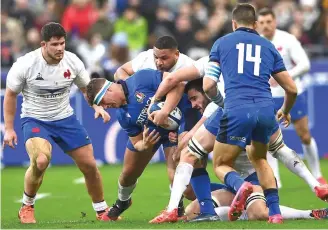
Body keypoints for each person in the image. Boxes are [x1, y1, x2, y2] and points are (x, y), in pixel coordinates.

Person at [149, 66, 328, 224]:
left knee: (259, 213)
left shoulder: (218, 112)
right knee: (192, 211)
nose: (193, 104)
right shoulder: (223, 110)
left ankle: (311, 213)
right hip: (233, 182)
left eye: (194, 98)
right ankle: (235, 205)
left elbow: (281, 151)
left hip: (254, 178)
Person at [2, 22, 110, 224]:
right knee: (41, 160)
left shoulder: (72, 61)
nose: (60, 48)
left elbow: (87, 89)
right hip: (35, 119)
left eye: (62, 43)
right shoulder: (26, 65)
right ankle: (27, 206)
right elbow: (10, 95)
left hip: (65, 118)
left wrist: (96, 106)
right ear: (43, 44)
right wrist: (8, 129)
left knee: (89, 164)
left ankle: (102, 210)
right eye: (55, 44)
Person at [203, 4, 298, 223]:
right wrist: (285, 110)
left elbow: (208, 85)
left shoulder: (221, 43)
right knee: (260, 159)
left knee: (220, 164)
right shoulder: (268, 46)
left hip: (236, 108)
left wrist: (222, 103)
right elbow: (291, 88)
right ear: (255, 25)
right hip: (265, 110)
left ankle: (240, 185)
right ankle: (274, 214)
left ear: (234, 24)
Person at [85, 69, 188, 221]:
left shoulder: (142, 78)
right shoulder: (122, 115)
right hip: (151, 135)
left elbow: (177, 83)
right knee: (127, 175)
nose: (106, 107)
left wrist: (165, 111)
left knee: (174, 172)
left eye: (103, 103)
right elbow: (137, 142)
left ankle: (177, 209)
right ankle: (123, 202)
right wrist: (145, 145)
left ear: (108, 90)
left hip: (174, 129)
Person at [114, 35, 201, 216]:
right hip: (147, 125)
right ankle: (122, 201)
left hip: (177, 124)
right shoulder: (145, 59)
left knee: (180, 179)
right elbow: (120, 72)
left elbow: (191, 93)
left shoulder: (189, 66)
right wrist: (129, 89)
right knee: (128, 173)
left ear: (176, 54)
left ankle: (181, 206)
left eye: (164, 58)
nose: (159, 62)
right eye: (157, 57)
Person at [257, 8, 328, 187]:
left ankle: (317, 174)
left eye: (268, 22)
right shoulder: (256, 43)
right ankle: (275, 179)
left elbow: (305, 64)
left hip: (292, 93)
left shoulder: (287, 39)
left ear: (275, 22)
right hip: (268, 96)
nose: (265, 26)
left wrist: (284, 77)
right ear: (257, 24)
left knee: (304, 135)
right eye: (262, 22)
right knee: (268, 138)